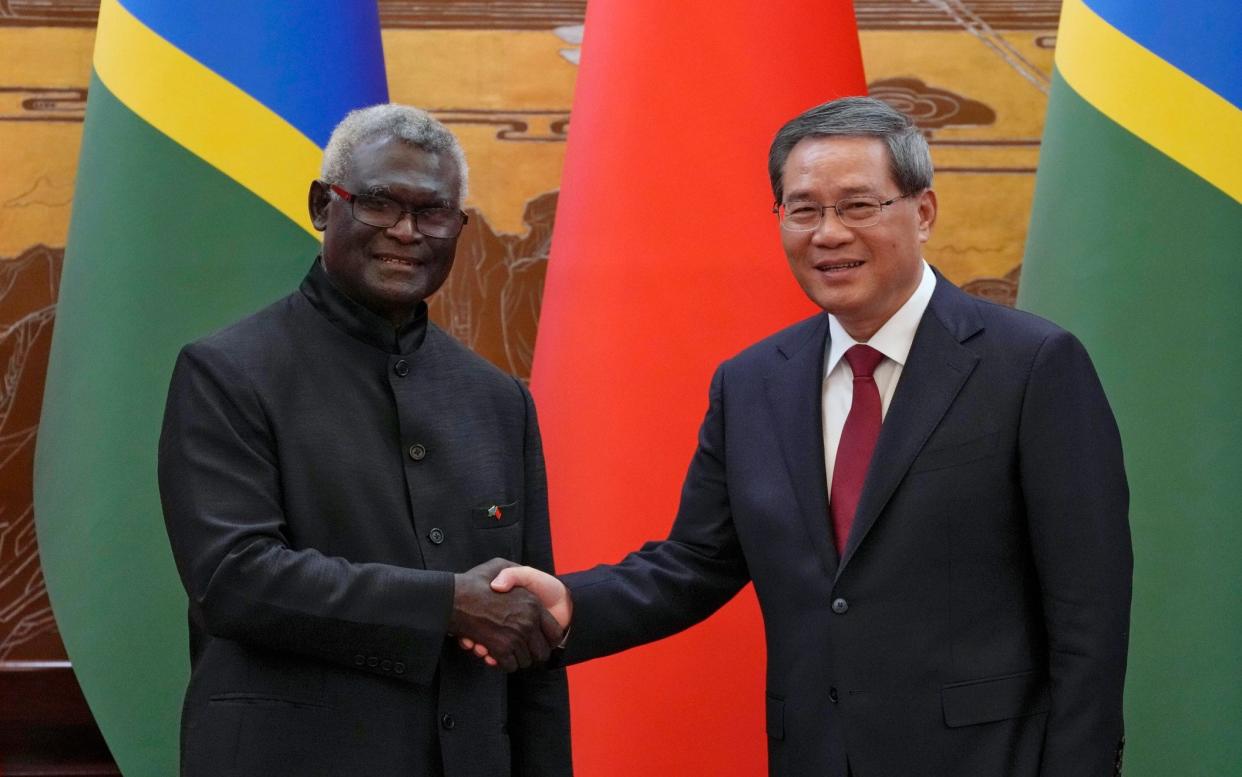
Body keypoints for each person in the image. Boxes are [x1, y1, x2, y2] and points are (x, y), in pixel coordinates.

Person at [478, 96, 1131, 777]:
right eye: (804, 208)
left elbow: (1089, 612)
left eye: (857, 206)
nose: (828, 233)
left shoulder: (1031, 365)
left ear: (924, 212)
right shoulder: (753, 382)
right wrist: (570, 602)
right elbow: (696, 561)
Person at [158, 104, 571, 777]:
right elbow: (234, 579)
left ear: (458, 228)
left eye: (433, 212)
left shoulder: (498, 400)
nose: (406, 232)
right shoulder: (228, 372)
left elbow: (526, 629)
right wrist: (446, 603)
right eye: (379, 203)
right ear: (325, 205)